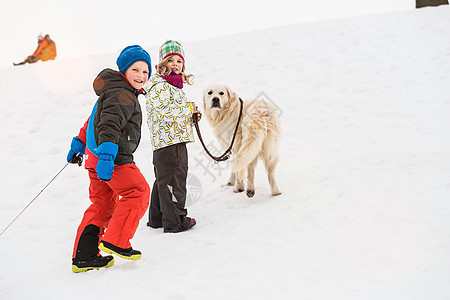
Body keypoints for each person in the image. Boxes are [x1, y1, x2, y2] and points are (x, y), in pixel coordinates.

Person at [66, 45, 152, 272]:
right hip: (113, 159)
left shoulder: (112, 91)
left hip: (96, 160)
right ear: (124, 70)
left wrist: (79, 143)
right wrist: (106, 154)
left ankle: (84, 257)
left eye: (145, 72)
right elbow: (109, 124)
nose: (141, 76)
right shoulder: (123, 94)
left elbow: (93, 120)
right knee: (138, 191)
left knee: (102, 205)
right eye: (135, 70)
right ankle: (116, 240)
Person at [144, 40, 199, 233]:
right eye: (171, 60)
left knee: (164, 179)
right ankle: (176, 221)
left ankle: (158, 218)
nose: (176, 64)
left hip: (169, 139)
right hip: (170, 141)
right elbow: (166, 111)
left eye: (179, 61)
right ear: (162, 64)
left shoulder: (170, 86)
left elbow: (173, 113)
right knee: (175, 179)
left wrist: (190, 116)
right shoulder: (159, 86)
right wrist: (188, 108)